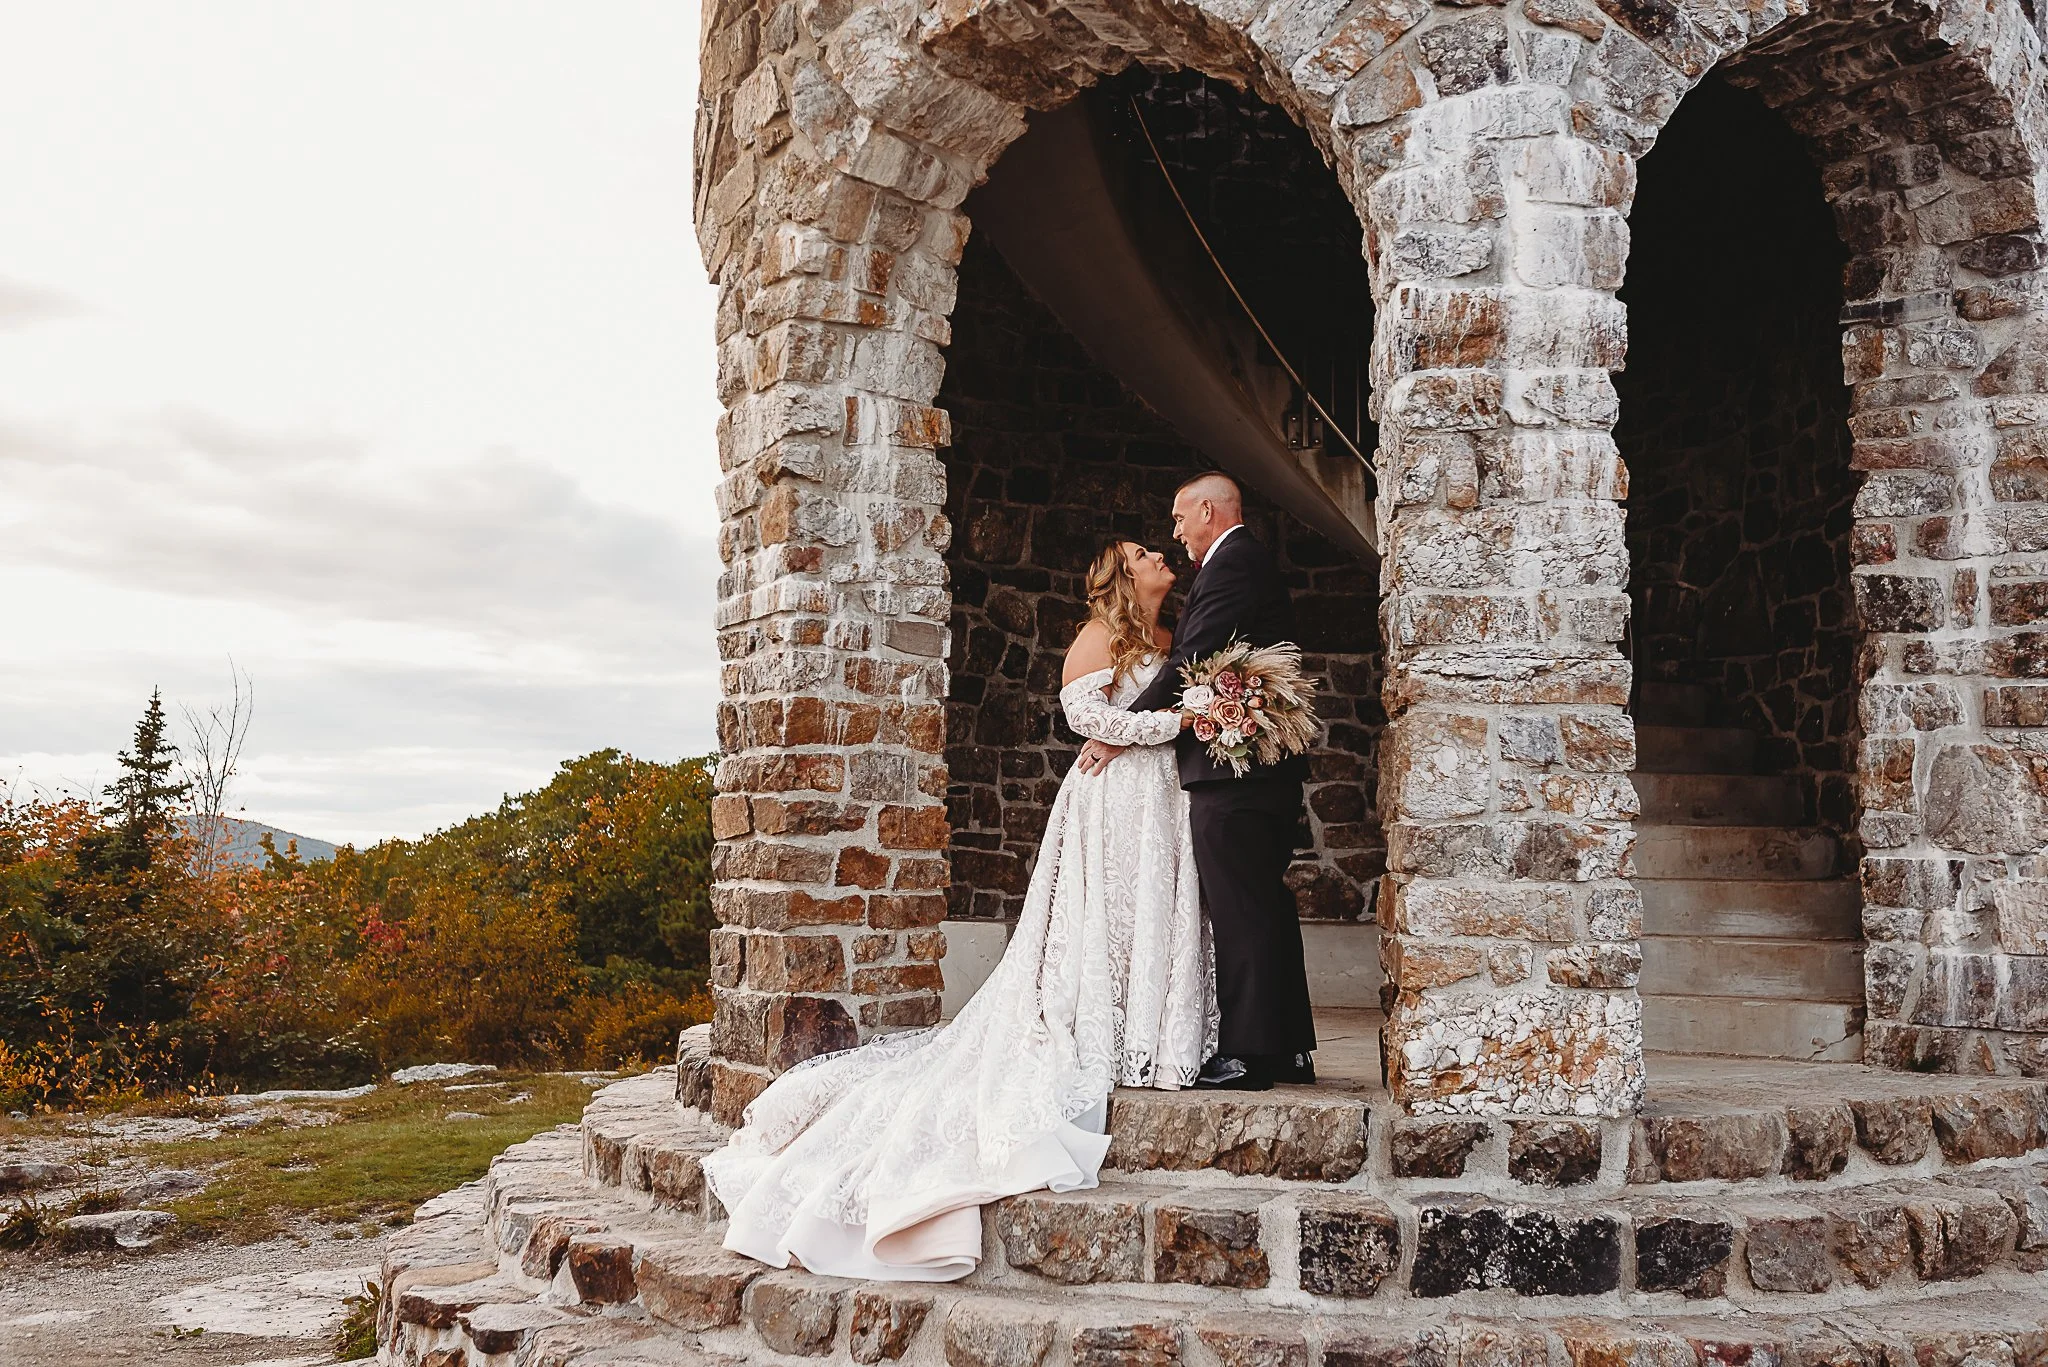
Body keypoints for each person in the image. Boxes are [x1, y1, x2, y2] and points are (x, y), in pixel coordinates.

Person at [702, 540, 1216, 1282]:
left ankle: (1154, 1034)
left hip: (1162, 799)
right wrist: (1180, 721)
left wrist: (1193, 713)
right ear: (1122, 576)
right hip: (1111, 805)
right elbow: (1084, 716)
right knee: (1109, 921)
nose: (1159, 552)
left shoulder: (1175, 636)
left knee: (1155, 917)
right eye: (1143, 551)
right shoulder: (1101, 633)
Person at [1078, 472, 1316, 1091]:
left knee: (1240, 908)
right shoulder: (1241, 562)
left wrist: (1122, 730)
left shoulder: (1231, 563)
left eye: (1181, 519)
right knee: (1263, 901)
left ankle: (1250, 1053)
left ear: (1208, 511)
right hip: (1252, 773)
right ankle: (1289, 1049)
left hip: (1234, 773)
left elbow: (1190, 662)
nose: (1176, 534)